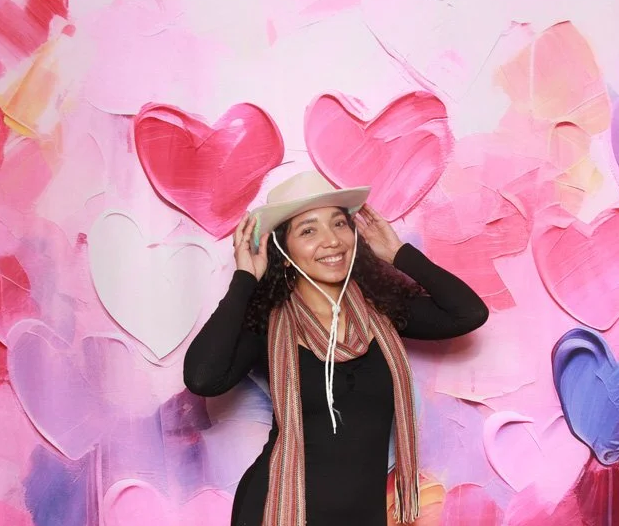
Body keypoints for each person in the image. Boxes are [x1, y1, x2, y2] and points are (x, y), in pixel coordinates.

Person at [183, 169, 489, 525]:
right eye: (308, 230)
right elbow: (202, 378)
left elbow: (469, 313)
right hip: (279, 511)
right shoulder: (268, 324)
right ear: (283, 251)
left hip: (363, 515)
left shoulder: (385, 311)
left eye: (339, 224)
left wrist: (399, 254)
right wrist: (245, 279)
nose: (331, 240)